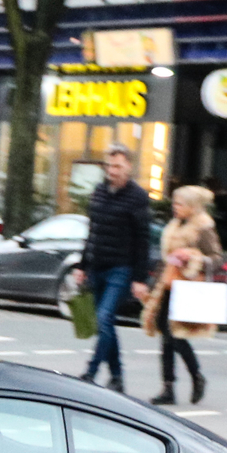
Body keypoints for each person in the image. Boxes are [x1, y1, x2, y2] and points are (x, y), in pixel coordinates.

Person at [78, 147, 152, 393]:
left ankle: (91, 371)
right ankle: (118, 376)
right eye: (109, 166)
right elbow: (92, 230)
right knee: (104, 324)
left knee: (103, 318)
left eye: (117, 167)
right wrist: (82, 265)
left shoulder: (138, 197)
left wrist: (140, 278)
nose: (112, 171)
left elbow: (143, 239)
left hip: (121, 268)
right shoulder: (99, 192)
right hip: (97, 265)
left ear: (128, 167)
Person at [146, 184, 222, 407]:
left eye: (179, 204)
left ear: (192, 207)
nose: (175, 207)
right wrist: (152, 286)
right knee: (166, 335)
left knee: (174, 335)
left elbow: (216, 258)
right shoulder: (174, 225)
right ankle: (168, 387)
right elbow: (167, 259)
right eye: (174, 203)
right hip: (169, 286)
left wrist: (191, 256)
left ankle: (196, 377)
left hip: (188, 287)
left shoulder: (203, 227)